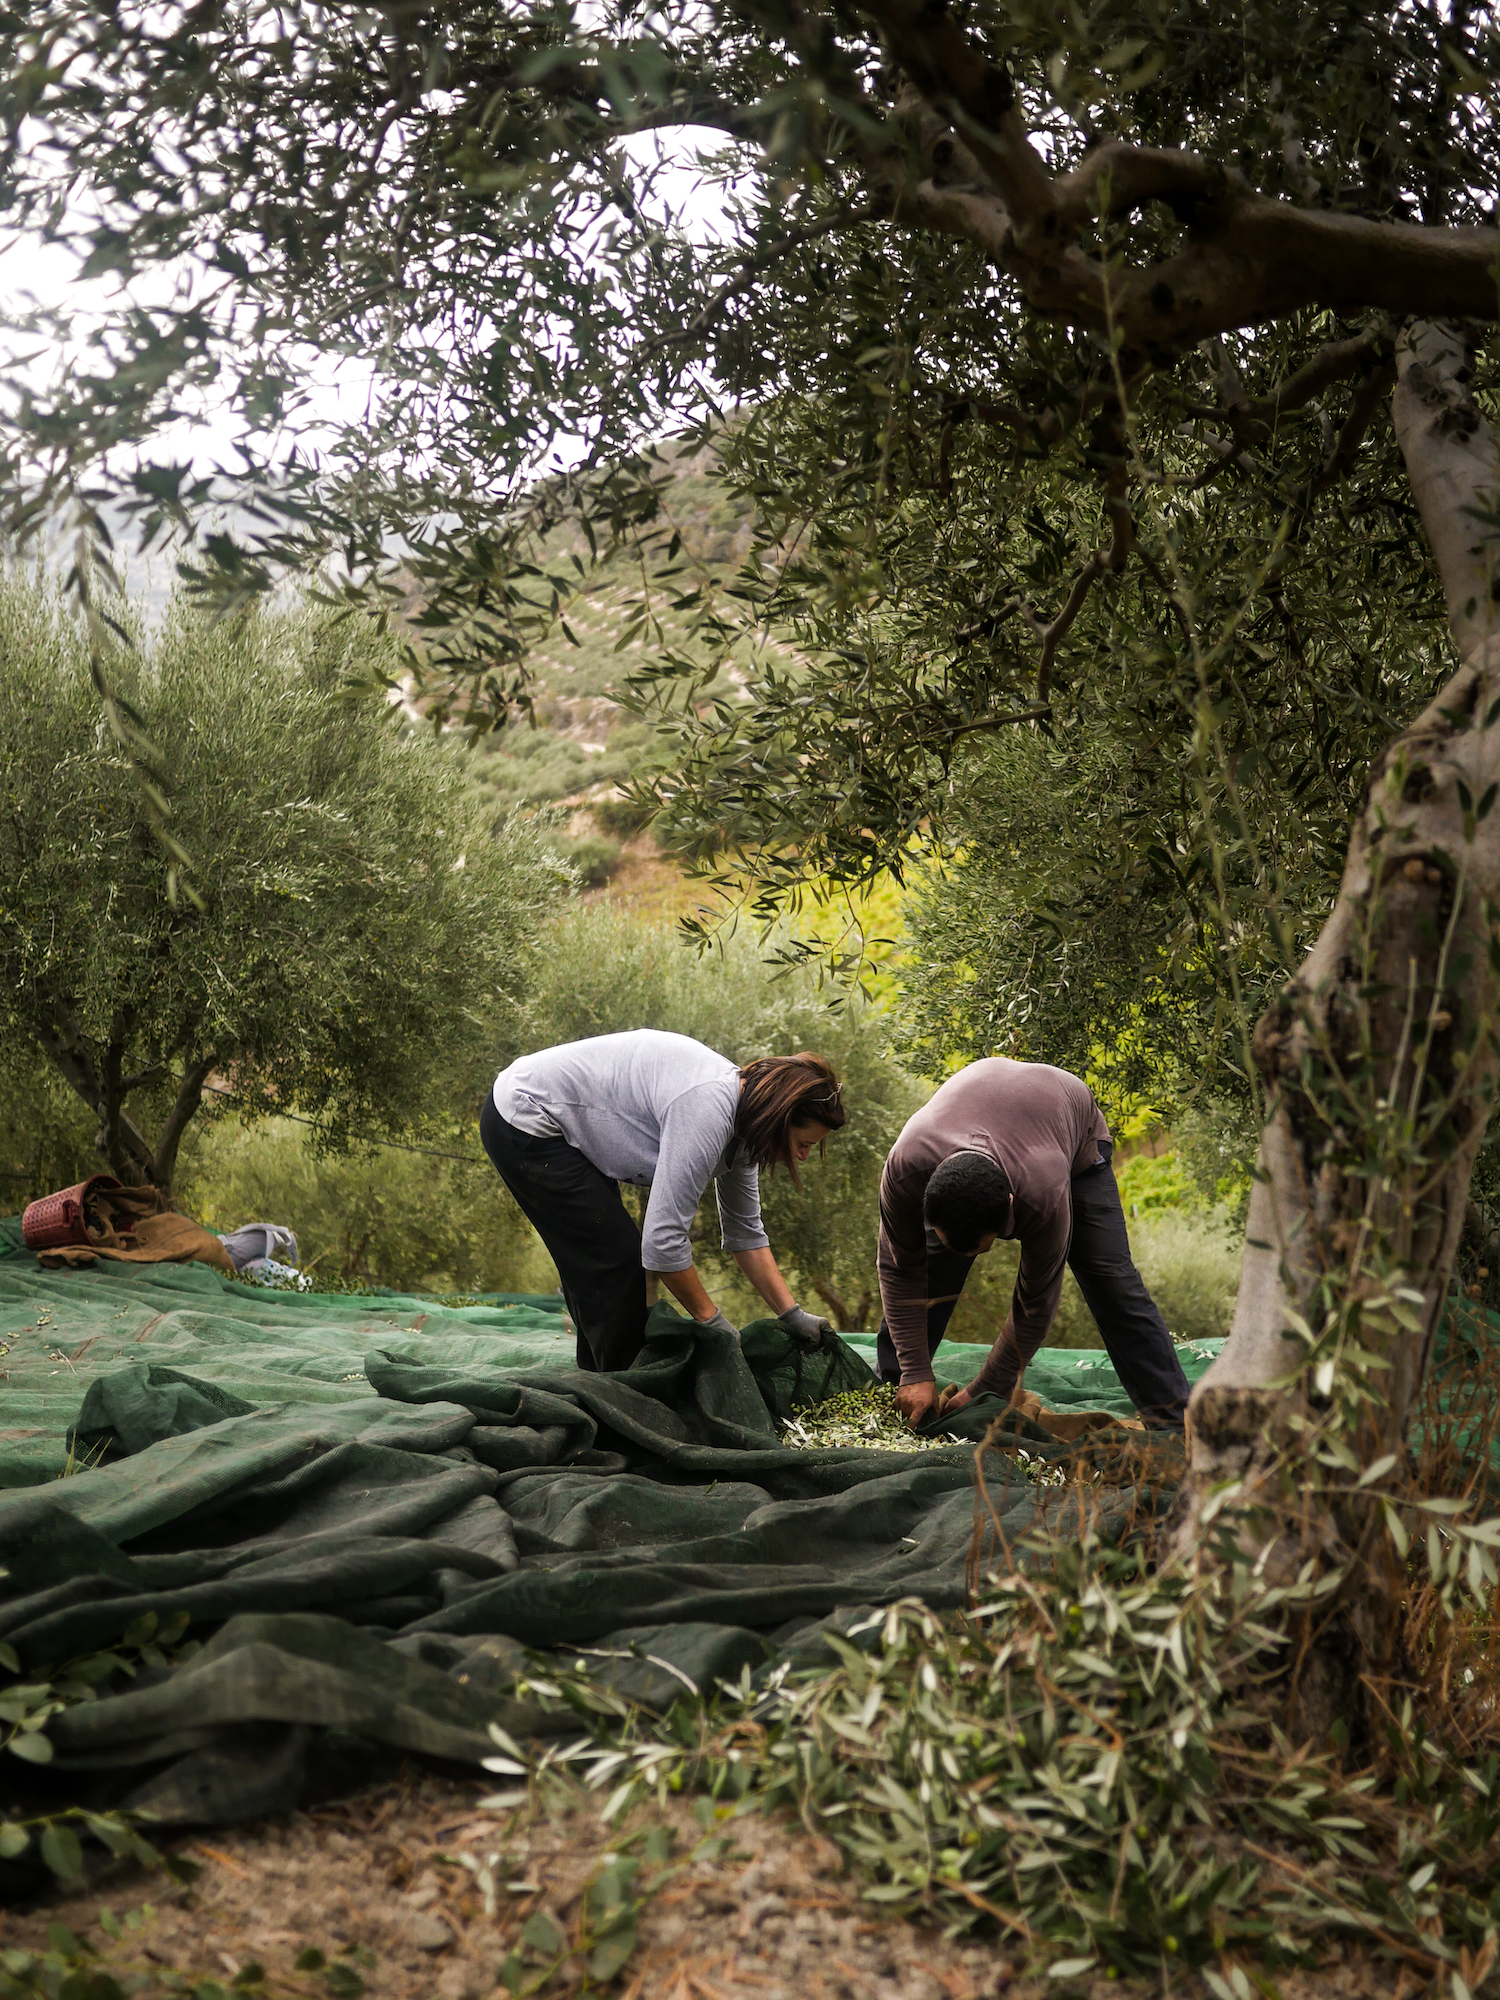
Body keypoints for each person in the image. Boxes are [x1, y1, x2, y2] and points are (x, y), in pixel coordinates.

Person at [481, 1029, 846, 1371]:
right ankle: (623, 1402)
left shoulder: (746, 1129)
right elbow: (662, 1244)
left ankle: (601, 1384)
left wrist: (792, 1315)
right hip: (528, 1115)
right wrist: (713, 1321)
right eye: (804, 1144)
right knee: (616, 1261)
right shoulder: (708, 1109)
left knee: (602, 1261)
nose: (802, 1158)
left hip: (564, 1130)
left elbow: (745, 1233)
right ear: (779, 1118)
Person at [875, 1057, 1190, 1430]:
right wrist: (915, 1370)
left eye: (983, 1248)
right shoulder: (905, 1169)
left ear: (1011, 1209)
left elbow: (1035, 1304)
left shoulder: (1044, 1194)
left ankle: (1174, 1426)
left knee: (1111, 1284)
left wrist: (988, 1387)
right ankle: (897, 1391)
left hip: (1072, 1137)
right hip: (982, 1116)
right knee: (933, 1267)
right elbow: (899, 1269)